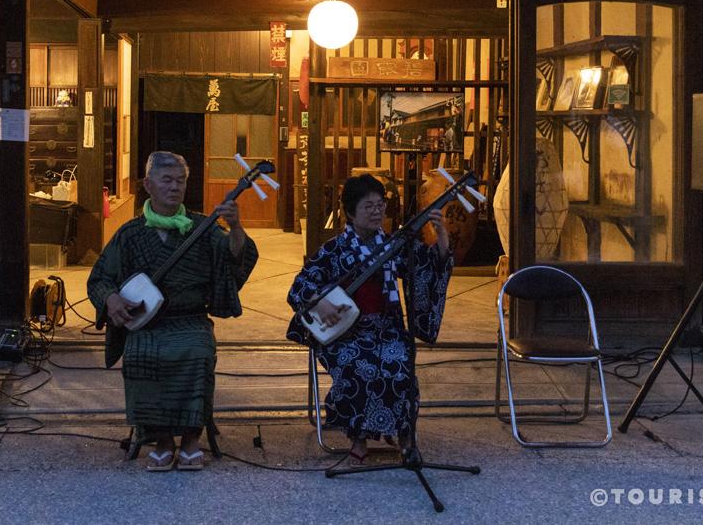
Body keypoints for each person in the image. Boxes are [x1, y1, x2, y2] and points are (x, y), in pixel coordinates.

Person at [88, 150, 258, 472]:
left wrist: (236, 227)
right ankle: (162, 441)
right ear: (148, 185)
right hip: (148, 324)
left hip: (189, 320)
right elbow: (100, 278)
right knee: (139, 354)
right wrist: (111, 299)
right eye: (166, 180)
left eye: (180, 181)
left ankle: (192, 440)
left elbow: (235, 258)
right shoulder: (130, 233)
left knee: (197, 353)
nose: (175, 187)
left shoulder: (203, 227)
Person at [287, 174, 452, 467]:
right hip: (345, 335)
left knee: (399, 366)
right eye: (368, 206)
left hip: (387, 328)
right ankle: (359, 440)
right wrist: (323, 301)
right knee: (358, 366)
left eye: (380, 205)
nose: (377, 211)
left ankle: (406, 437)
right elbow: (300, 287)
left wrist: (441, 240)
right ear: (350, 213)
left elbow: (424, 269)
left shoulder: (393, 244)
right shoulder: (333, 249)